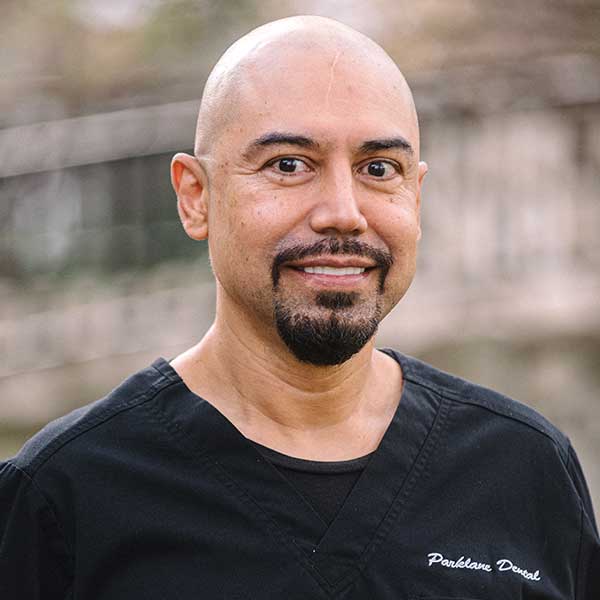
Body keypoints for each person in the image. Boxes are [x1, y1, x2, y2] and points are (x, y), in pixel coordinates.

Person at [1, 15, 598, 600]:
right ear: (195, 197)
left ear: (415, 198)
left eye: (378, 169)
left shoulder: (525, 467)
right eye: (288, 164)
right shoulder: (68, 494)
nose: (343, 212)